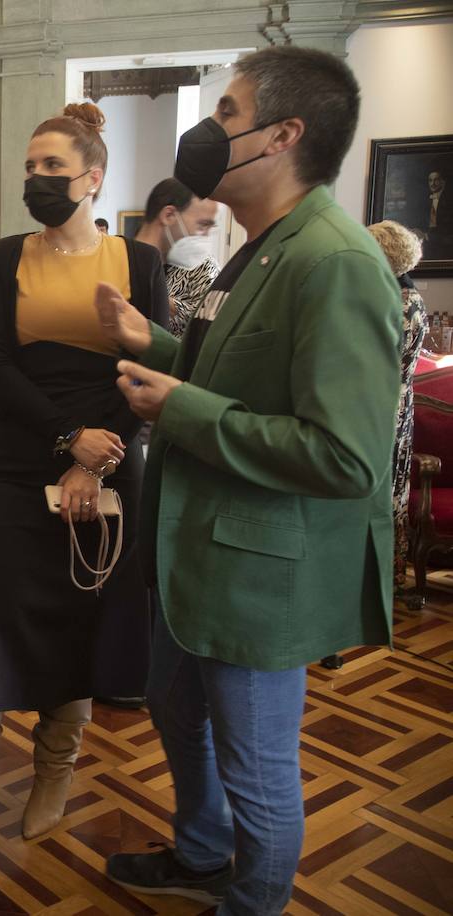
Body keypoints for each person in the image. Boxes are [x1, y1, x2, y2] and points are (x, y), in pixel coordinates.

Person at [98, 47, 401, 914]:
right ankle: (203, 854)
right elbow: (232, 375)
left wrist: (179, 408)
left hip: (257, 573)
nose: (208, 130)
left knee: (256, 768)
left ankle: (253, 903)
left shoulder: (334, 261)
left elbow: (344, 456)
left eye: (227, 113)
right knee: (173, 709)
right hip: (198, 555)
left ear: (283, 135)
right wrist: (151, 343)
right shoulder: (259, 247)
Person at [0, 102, 168, 841]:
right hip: (17, 457)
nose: (36, 178)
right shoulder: (6, 256)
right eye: (30, 167)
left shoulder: (139, 262)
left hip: (112, 457)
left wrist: (98, 459)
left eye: (53, 167)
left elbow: (151, 367)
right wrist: (69, 439)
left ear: (92, 178)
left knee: (83, 622)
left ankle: (55, 769)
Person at [368, 221, 428, 589]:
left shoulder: (401, 302)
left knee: (383, 489)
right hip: (391, 402)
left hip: (385, 406)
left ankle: (377, 576)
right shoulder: (399, 295)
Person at [134, 178, 221, 336]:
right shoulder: (118, 257)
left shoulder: (204, 268)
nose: (206, 236)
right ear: (169, 215)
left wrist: (165, 302)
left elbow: (209, 328)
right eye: (202, 225)